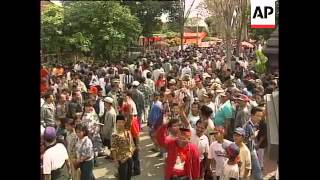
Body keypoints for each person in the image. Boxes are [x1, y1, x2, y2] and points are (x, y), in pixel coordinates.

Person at [111, 114, 135, 180]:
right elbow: (113, 148)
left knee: (129, 175)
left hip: (129, 157)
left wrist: (130, 153)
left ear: (124, 123)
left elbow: (132, 144)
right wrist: (115, 160)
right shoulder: (114, 135)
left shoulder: (127, 132)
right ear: (116, 123)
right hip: (121, 159)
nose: (120, 124)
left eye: (122, 122)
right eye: (119, 122)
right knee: (123, 176)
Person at [243, 107, 264, 180]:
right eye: (258, 116)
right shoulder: (247, 126)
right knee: (257, 169)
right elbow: (243, 141)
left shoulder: (254, 125)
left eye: (261, 116)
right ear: (251, 115)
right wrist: (253, 137)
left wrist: (254, 145)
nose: (259, 118)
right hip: (249, 151)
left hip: (252, 149)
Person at [256, 104, 267, 172]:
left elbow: (263, 136)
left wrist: (258, 144)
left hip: (261, 143)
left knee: (260, 157)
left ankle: (260, 168)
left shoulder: (264, 123)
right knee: (259, 156)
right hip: (259, 142)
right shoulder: (261, 121)